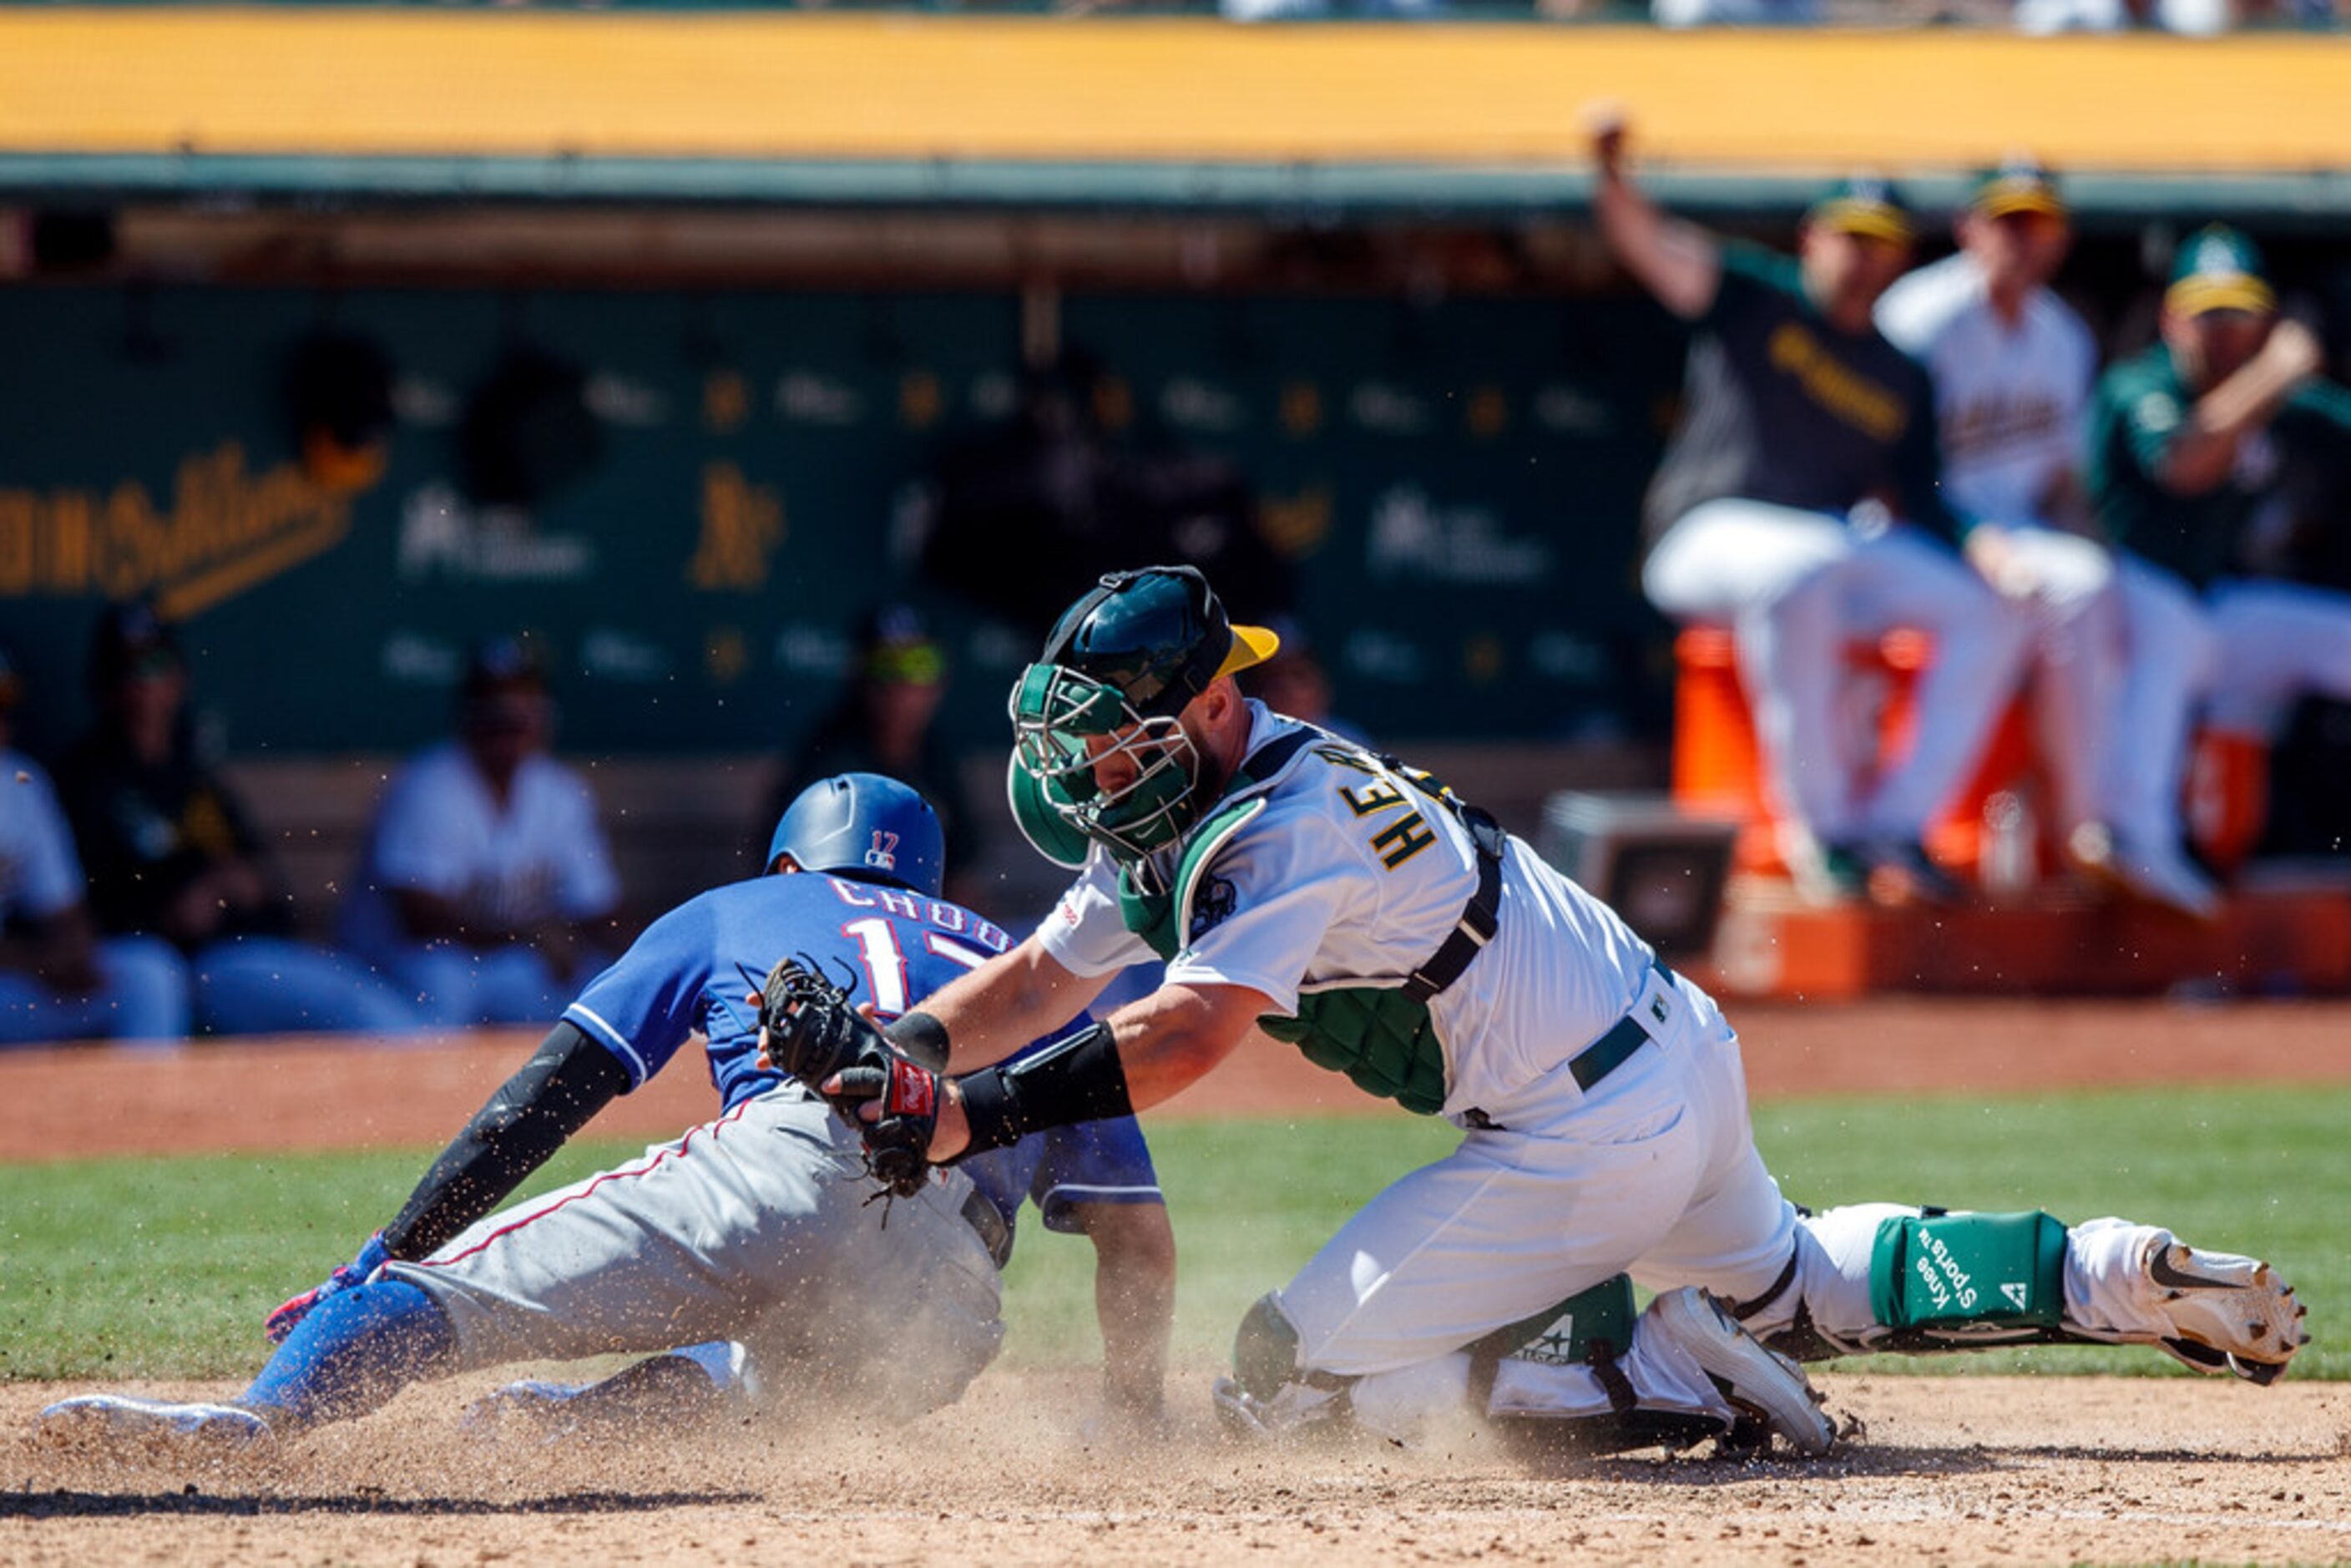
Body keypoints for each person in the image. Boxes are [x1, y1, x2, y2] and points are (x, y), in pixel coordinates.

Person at [791, 565, 2303, 1459]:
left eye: (1115, 743)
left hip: (1580, 1126)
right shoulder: (1220, 786)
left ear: (1200, 710)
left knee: (1280, 1388)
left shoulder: (1274, 825)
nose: (1093, 773)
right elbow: (1049, 977)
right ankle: (2107, 1267)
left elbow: (1181, 1037)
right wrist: (908, 1048)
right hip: (1672, 1054)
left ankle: (1647, 1368)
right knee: (1789, 1282)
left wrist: (968, 1114)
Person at [37, 774, 1175, 1451]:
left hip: (793, 1159)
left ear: (791, 861)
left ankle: (260, 1425)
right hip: (947, 1312)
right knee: (766, 1375)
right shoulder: (1032, 968)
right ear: (931, 879)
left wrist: (389, 1249)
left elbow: (547, 1099)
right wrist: (1133, 1414)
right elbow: (1136, 1238)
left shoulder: (745, 902)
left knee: (427, 1298)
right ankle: (577, 1421)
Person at [1595, 113, 2031, 904]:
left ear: (1903, 254)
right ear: (1812, 238)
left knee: (1990, 610)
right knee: (1802, 564)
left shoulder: (1899, 371)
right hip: (1707, 536)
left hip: (1825, 555)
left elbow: (1926, 499)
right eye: (1849, 235)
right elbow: (1652, 250)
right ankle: (1819, 831)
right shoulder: (1759, 300)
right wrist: (1610, 176)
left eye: (1881, 240)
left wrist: (1984, 547)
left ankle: (1896, 824)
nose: (1863, 256)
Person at [1875, 158, 2222, 918]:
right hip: (1909, 531)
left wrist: (2091, 546)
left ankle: (2141, 834)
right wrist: (1976, 541)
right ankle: (2076, 825)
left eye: (2038, 224)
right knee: (2054, 591)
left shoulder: (2061, 336)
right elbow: (1886, 460)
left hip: (2020, 539)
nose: (2022, 240)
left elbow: (2063, 485)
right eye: (2006, 222)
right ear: (1967, 228)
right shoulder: (1918, 317)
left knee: (2159, 612)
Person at [2085, 225, 2351, 903]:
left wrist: (2274, 386)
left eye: (2238, 313)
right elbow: (2184, 463)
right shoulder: (2139, 383)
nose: (2223, 329)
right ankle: (2135, 838)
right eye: (2208, 312)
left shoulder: (2276, 399)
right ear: (2173, 317)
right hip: (2113, 611)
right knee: (2170, 619)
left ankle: (2204, 851)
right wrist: (2275, 373)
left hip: (2212, 612)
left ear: (2264, 320)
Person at [54, 601, 421, 1036]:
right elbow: (79, 917)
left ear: (179, 678)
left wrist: (237, 884)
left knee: (354, 994)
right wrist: (168, 915)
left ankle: (434, 1082)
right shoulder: (84, 781)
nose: (143, 684)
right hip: (179, 969)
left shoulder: (196, 780)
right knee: (343, 1005)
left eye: (155, 665)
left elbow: (270, 893)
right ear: (104, 684)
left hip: (244, 952)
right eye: (126, 669)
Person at [339, 636, 622, 1027]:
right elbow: (421, 921)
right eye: (495, 712)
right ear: (467, 717)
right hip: (399, 970)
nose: (509, 726)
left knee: (600, 989)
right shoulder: (428, 785)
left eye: (523, 710)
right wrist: (527, 935)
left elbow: (600, 911)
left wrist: (644, 962)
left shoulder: (560, 791)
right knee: (442, 995)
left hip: (507, 966)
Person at [0, 643, 190, 1044]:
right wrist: (32, 960)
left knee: (148, 975)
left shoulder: (17, 782)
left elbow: (66, 912)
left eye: (4, 705)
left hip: (10, 987)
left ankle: (144, 1106)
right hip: (16, 967)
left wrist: (70, 954)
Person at [758, 604, 980, 898]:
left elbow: (960, 878)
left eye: (921, 664)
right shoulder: (828, 761)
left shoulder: (935, 757)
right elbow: (784, 885)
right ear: (859, 677)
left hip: (911, 923)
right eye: (886, 667)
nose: (904, 686)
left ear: (943, 679)